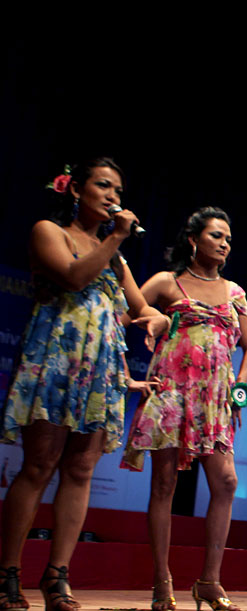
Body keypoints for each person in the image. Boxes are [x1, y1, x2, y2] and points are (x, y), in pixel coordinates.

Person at [1, 158, 166, 611]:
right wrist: (116, 237)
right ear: (76, 189)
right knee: (39, 465)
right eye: (103, 186)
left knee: (80, 470)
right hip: (55, 360)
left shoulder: (115, 256)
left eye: (118, 191)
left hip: (100, 370)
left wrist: (156, 319)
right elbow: (74, 277)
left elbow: (141, 307)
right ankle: (7, 573)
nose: (113, 197)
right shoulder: (49, 232)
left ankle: (57, 576)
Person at [121, 206, 247, 611]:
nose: (224, 244)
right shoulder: (168, 282)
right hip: (172, 391)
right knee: (164, 484)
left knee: (227, 482)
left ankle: (209, 582)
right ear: (193, 239)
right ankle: (161, 581)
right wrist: (128, 374)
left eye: (228, 238)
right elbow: (121, 317)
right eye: (216, 235)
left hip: (215, 397)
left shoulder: (235, 292)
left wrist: (239, 385)